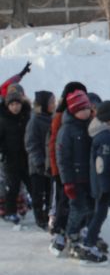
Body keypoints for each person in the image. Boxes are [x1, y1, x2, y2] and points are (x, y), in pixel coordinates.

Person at [82, 101, 110, 263]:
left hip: (109, 183)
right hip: (105, 185)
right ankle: (88, 245)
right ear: (109, 118)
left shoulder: (109, 133)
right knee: (100, 214)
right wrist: (105, 187)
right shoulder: (105, 137)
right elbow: (102, 164)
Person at [48, 82, 87, 255]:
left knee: (80, 203)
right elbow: (54, 144)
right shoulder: (61, 118)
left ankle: (79, 229)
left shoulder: (85, 117)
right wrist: (55, 170)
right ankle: (59, 232)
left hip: (80, 171)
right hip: (62, 169)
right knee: (63, 202)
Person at [56, 90, 94, 258]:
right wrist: (67, 182)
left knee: (90, 208)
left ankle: (83, 232)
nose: (85, 112)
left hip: (90, 177)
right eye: (81, 109)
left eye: (87, 108)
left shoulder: (91, 126)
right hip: (75, 179)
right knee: (77, 209)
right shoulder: (66, 130)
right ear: (73, 111)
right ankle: (71, 235)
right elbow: (63, 159)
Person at [0, 88, 32, 224]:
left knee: (31, 185)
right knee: (12, 187)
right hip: (11, 159)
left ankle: (38, 211)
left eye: (17, 104)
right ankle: (10, 212)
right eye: (12, 104)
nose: (15, 107)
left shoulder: (26, 116)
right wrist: (3, 152)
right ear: (8, 106)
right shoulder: (3, 120)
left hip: (26, 158)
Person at [25, 91, 55, 229]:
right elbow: (31, 143)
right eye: (51, 102)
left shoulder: (52, 118)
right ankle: (40, 218)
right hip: (38, 165)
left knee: (50, 192)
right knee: (39, 193)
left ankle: (48, 216)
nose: (53, 104)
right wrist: (39, 161)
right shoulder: (35, 121)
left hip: (50, 164)